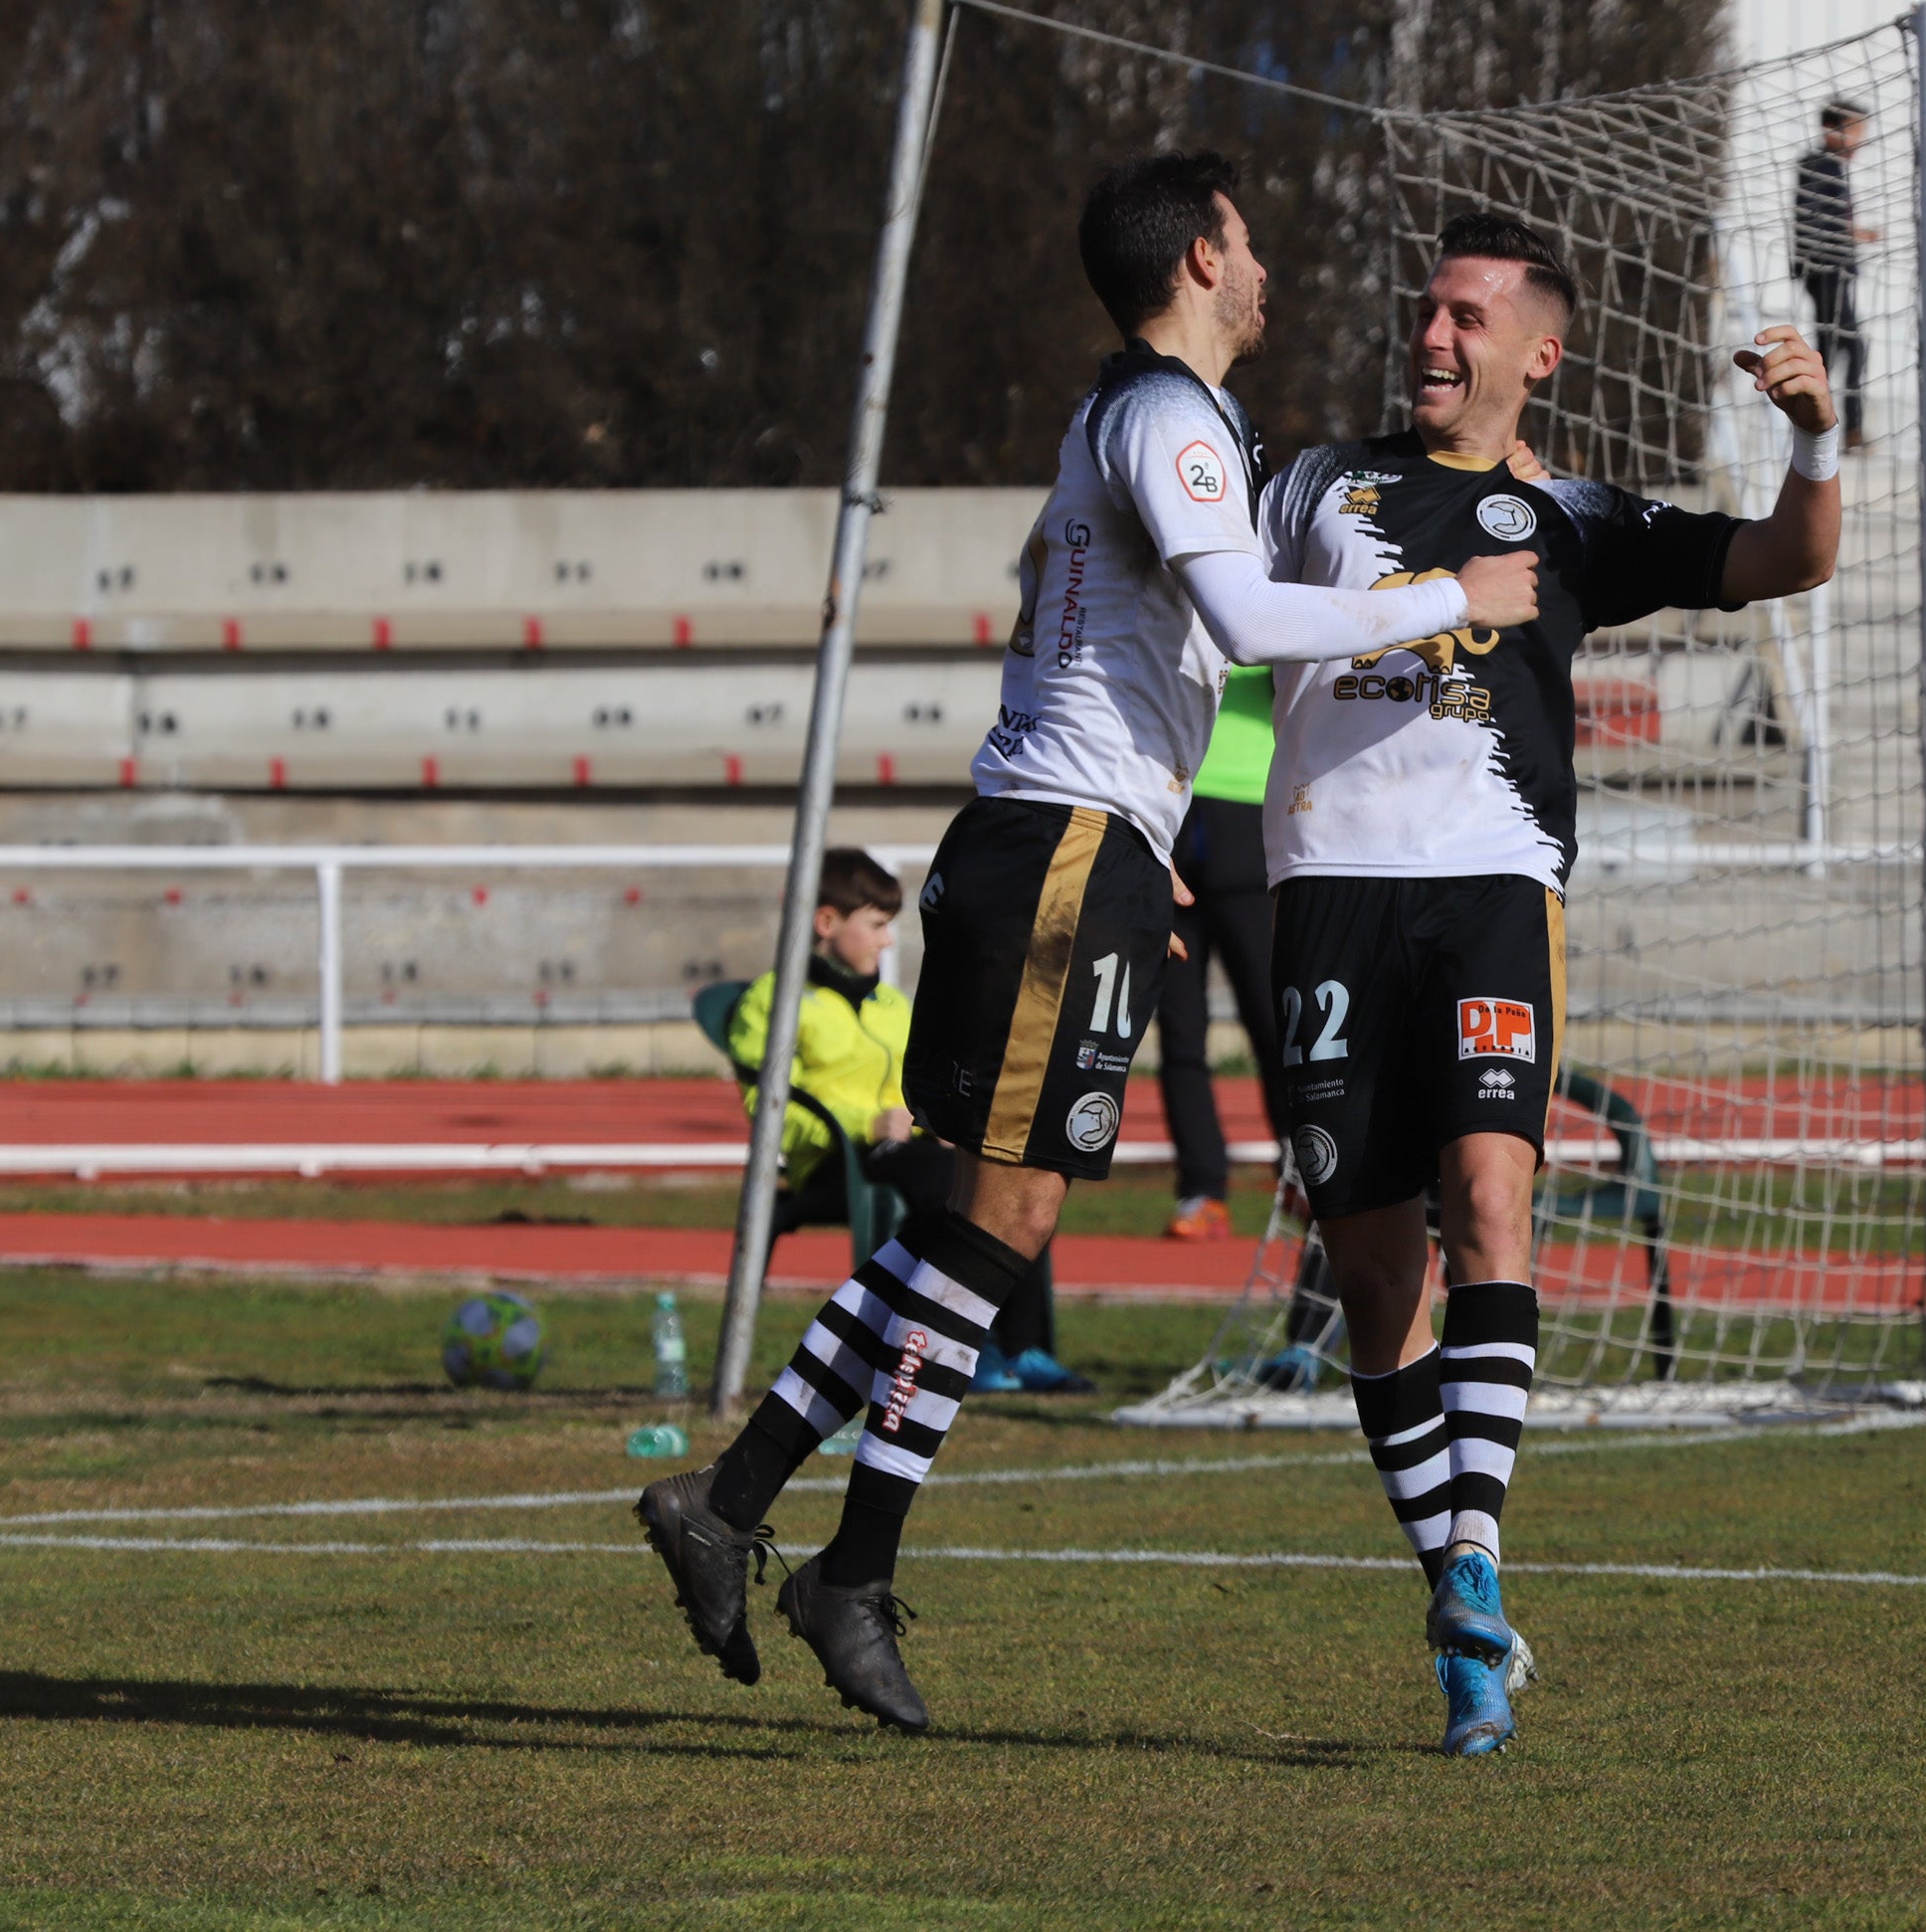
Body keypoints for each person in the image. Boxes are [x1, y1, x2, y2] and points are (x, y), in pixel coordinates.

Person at [636, 150, 1541, 1732]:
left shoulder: (1148, 422)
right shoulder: (1165, 418)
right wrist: (1440, 596)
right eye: (1249, 243)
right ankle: (797, 1533)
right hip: (1057, 849)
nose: (1267, 272)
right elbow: (1256, 626)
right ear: (1200, 256)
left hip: (1081, 849)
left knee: (985, 1236)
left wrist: (1146, 859)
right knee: (991, 1233)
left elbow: (1137, 655)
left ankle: (787, 1523)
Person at [1257, 211, 1838, 1753]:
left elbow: (1789, 556)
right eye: (1424, 313)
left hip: (1491, 891)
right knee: (1375, 1288)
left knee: (1489, 1204)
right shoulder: (1319, 484)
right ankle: (1456, 1609)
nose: (1430, 339)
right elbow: (1213, 611)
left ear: (1536, 350)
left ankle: (1474, 1562)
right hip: (1323, 894)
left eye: (1462, 318)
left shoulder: (1571, 518)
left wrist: (1817, 437)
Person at [730, 849, 1082, 1395]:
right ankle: (972, 1348)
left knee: (1011, 1174)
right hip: (833, 1165)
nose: (888, 941)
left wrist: (943, 1121)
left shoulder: (892, 1005)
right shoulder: (772, 1002)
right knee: (950, 1185)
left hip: (907, 1153)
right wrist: (863, 1125)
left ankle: (1026, 1347)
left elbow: (929, 1083)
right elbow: (769, 1106)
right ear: (827, 922)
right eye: (876, 926)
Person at [1156, 664, 1286, 1240]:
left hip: (1249, 825)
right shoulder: (1189, 600)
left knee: (1273, 1024)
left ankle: (1304, 1169)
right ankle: (1202, 1189)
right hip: (1173, 821)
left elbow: (1277, 653)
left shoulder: (1272, 592)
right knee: (1180, 1036)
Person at [1793, 100, 1875, 451]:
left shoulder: (1832, 167)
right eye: (1855, 131)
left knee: (1832, 350)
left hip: (1835, 270)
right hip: (1826, 271)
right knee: (1850, 349)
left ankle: (1825, 428)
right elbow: (1812, 222)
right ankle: (1846, 429)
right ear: (1833, 130)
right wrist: (1850, 234)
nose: (1860, 140)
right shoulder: (1818, 166)